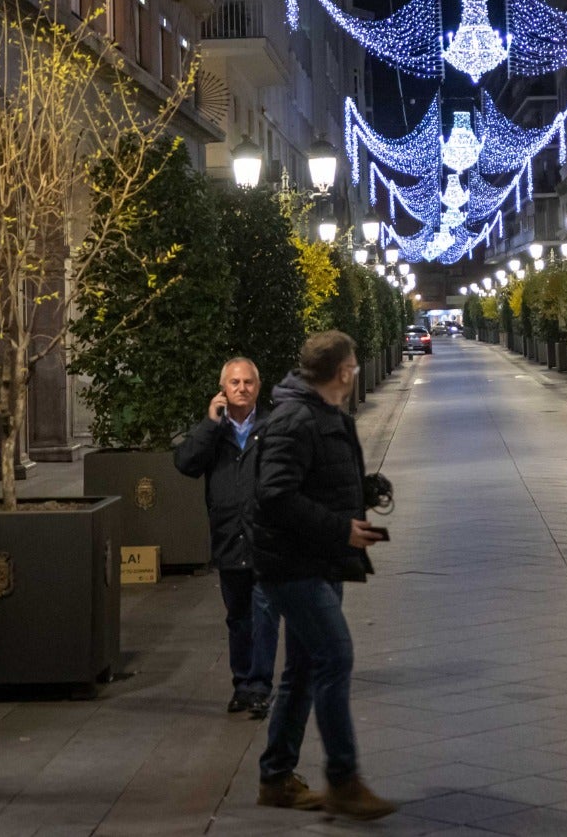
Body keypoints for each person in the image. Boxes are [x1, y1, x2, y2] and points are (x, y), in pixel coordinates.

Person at [251, 330, 395, 821]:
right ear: (344, 372)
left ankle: (276, 778)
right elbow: (276, 494)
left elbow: (313, 479)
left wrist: (362, 490)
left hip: (317, 557)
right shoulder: (296, 418)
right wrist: (341, 528)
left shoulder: (324, 413)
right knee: (336, 658)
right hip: (295, 564)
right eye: (353, 364)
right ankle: (344, 781)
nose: (355, 371)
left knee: (306, 668)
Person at [173, 355, 278, 718]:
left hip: (266, 539)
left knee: (264, 613)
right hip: (228, 536)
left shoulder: (273, 426)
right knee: (238, 617)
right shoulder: (212, 431)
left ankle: (260, 687)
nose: (242, 388)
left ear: (258, 387)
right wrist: (209, 423)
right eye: (234, 383)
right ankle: (242, 686)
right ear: (223, 389)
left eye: (248, 382)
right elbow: (185, 463)